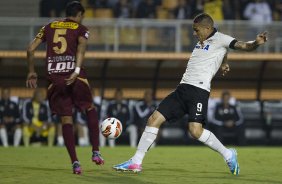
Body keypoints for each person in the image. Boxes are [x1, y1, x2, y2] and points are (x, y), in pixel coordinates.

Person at [113, 13, 267, 175]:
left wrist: (256, 43)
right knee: (153, 119)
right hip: (182, 89)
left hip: (199, 92)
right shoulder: (203, 41)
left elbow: (242, 46)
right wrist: (224, 63)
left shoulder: (221, 38)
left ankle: (228, 154)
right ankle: (136, 162)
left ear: (207, 28)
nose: (194, 33)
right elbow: (223, 52)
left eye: (196, 30)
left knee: (195, 131)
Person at [26, 1, 104, 174]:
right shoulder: (80, 28)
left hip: (55, 79)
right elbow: (81, 48)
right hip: (74, 76)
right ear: (79, 15)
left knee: (66, 120)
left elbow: (30, 49)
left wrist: (31, 71)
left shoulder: (48, 26)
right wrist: (76, 71)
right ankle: (96, 152)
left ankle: (75, 163)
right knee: (90, 108)